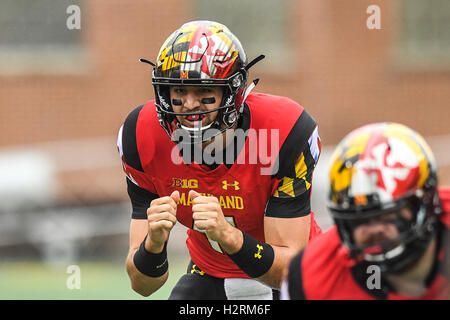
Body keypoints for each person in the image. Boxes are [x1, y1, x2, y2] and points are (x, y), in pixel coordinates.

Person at [116, 20, 322, 299]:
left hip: (291, 279)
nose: (189, 104)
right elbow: (142, 285)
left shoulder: (283, 131)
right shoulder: (141, 136)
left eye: (203, 92)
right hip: (210, 274)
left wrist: (228, 236)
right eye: (179, 91)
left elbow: (288, 273)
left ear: (232, 92)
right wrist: (153, 244)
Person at [282, 122, 450, 300]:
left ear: (426, 203)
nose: (374, 230)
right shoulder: (312, 276)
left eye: (387, 215)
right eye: (359, 220)